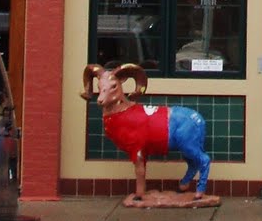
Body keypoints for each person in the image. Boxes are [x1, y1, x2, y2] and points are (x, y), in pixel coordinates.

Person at [82, 63, 212, 199]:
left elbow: (137, 154)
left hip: (180, 123)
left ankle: (200, 187)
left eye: (113, 87)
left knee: (196, 155)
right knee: (189, 156)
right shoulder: (120, 117)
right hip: (177, 120)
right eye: (101, 89)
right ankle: (184, 182)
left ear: (119, 86)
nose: (102, 96)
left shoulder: (129, 117)